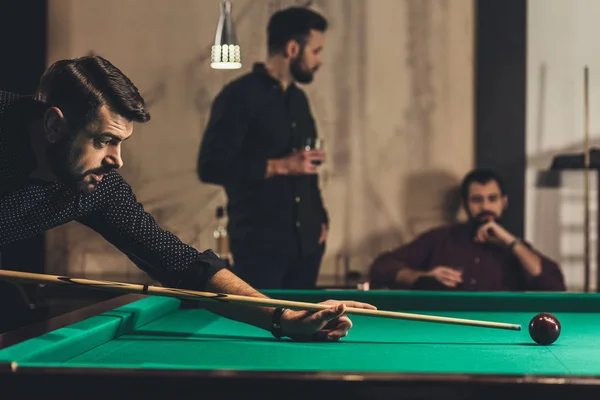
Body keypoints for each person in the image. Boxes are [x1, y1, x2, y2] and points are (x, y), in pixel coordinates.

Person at [0, 55, 376, 340]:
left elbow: (182, 265)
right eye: (104, 140)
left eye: (121, 142)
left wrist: (283, 317)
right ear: (53, 125)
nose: (117, 159)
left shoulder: (97, 186)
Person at [197, 7, 330, 290]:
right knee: (262, 329)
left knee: (305, 325)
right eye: (316, 51)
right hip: (259, 247)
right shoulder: (237, 96)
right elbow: (210, 166)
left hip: (307, 247)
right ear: (293, 48)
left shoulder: (299, 100)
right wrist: (280, 165)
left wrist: (321, 219)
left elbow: (308, 172)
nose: (320, 60)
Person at [368, 169, 566, 291]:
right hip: (445, 329)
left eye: (492, 199)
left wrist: (509, 241)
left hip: (502, 330)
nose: (485, 207)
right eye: (477, 200)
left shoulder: (515, 248)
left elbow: (554, 285)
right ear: (465, 204)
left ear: (504, 202)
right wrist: (421, 276)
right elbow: (380, 267)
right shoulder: (440, 239)